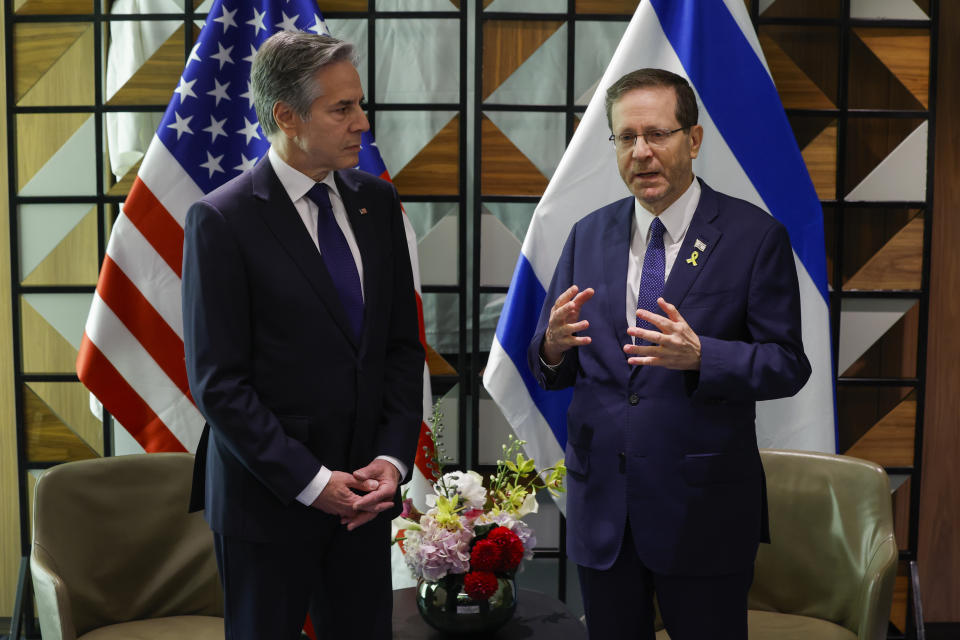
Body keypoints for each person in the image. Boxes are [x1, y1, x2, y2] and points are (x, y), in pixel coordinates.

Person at [527, 68, 811, 640]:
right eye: (626, 138)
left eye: (657, 134)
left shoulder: (754, 236)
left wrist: (705, 356)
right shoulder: (588, 234)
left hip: (702, 512)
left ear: (694, 139)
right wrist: (552, 346)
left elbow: (787, 363)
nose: (641, 153)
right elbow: (552, 362)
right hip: (603, 507)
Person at [182, 32, 424, 640]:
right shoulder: (221, 220)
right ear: (286, 116)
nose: (362, 123)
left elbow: (399, 349)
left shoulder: (377, 202)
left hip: (365, 503)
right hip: (267, 506)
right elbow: (220, 384)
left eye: (359, 105)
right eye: (342, 109)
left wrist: (392, 462)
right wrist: (315, 486)